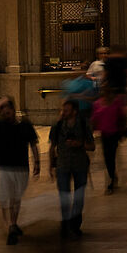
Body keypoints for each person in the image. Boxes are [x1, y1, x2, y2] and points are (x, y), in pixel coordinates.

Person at [0, 96, 40, 244]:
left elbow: (33, 143)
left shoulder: (25, 125)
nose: (5, 114)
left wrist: (37, 162)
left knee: (16, 198)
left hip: (20, 167)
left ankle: (13, 223)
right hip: (1, 168)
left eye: (7, 111)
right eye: (2, 111)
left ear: (13, 111)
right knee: (4, 199)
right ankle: (10, 226)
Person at [48, 100, 93, 237]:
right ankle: (65, 224)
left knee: (79, 197)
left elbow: (92, 146)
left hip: (79, 164)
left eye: (66, 110)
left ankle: (75, 225)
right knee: (64, 196)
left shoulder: (83, 124)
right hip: (63, 164)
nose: (63, 113)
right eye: (62, 110)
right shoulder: (57, 125)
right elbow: (52, 146)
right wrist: (50, 165)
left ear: (74, 111)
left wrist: (79, 144)